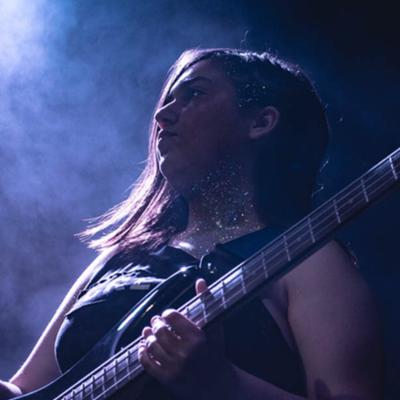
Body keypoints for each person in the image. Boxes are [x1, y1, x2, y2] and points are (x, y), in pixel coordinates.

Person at [0, 48, 383, 400]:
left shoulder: (311, 261)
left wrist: (225, 385)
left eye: (194, 94)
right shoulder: (121, 257)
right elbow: (24, 389)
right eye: (168, 99)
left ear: (260, 122)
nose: (162, 115)